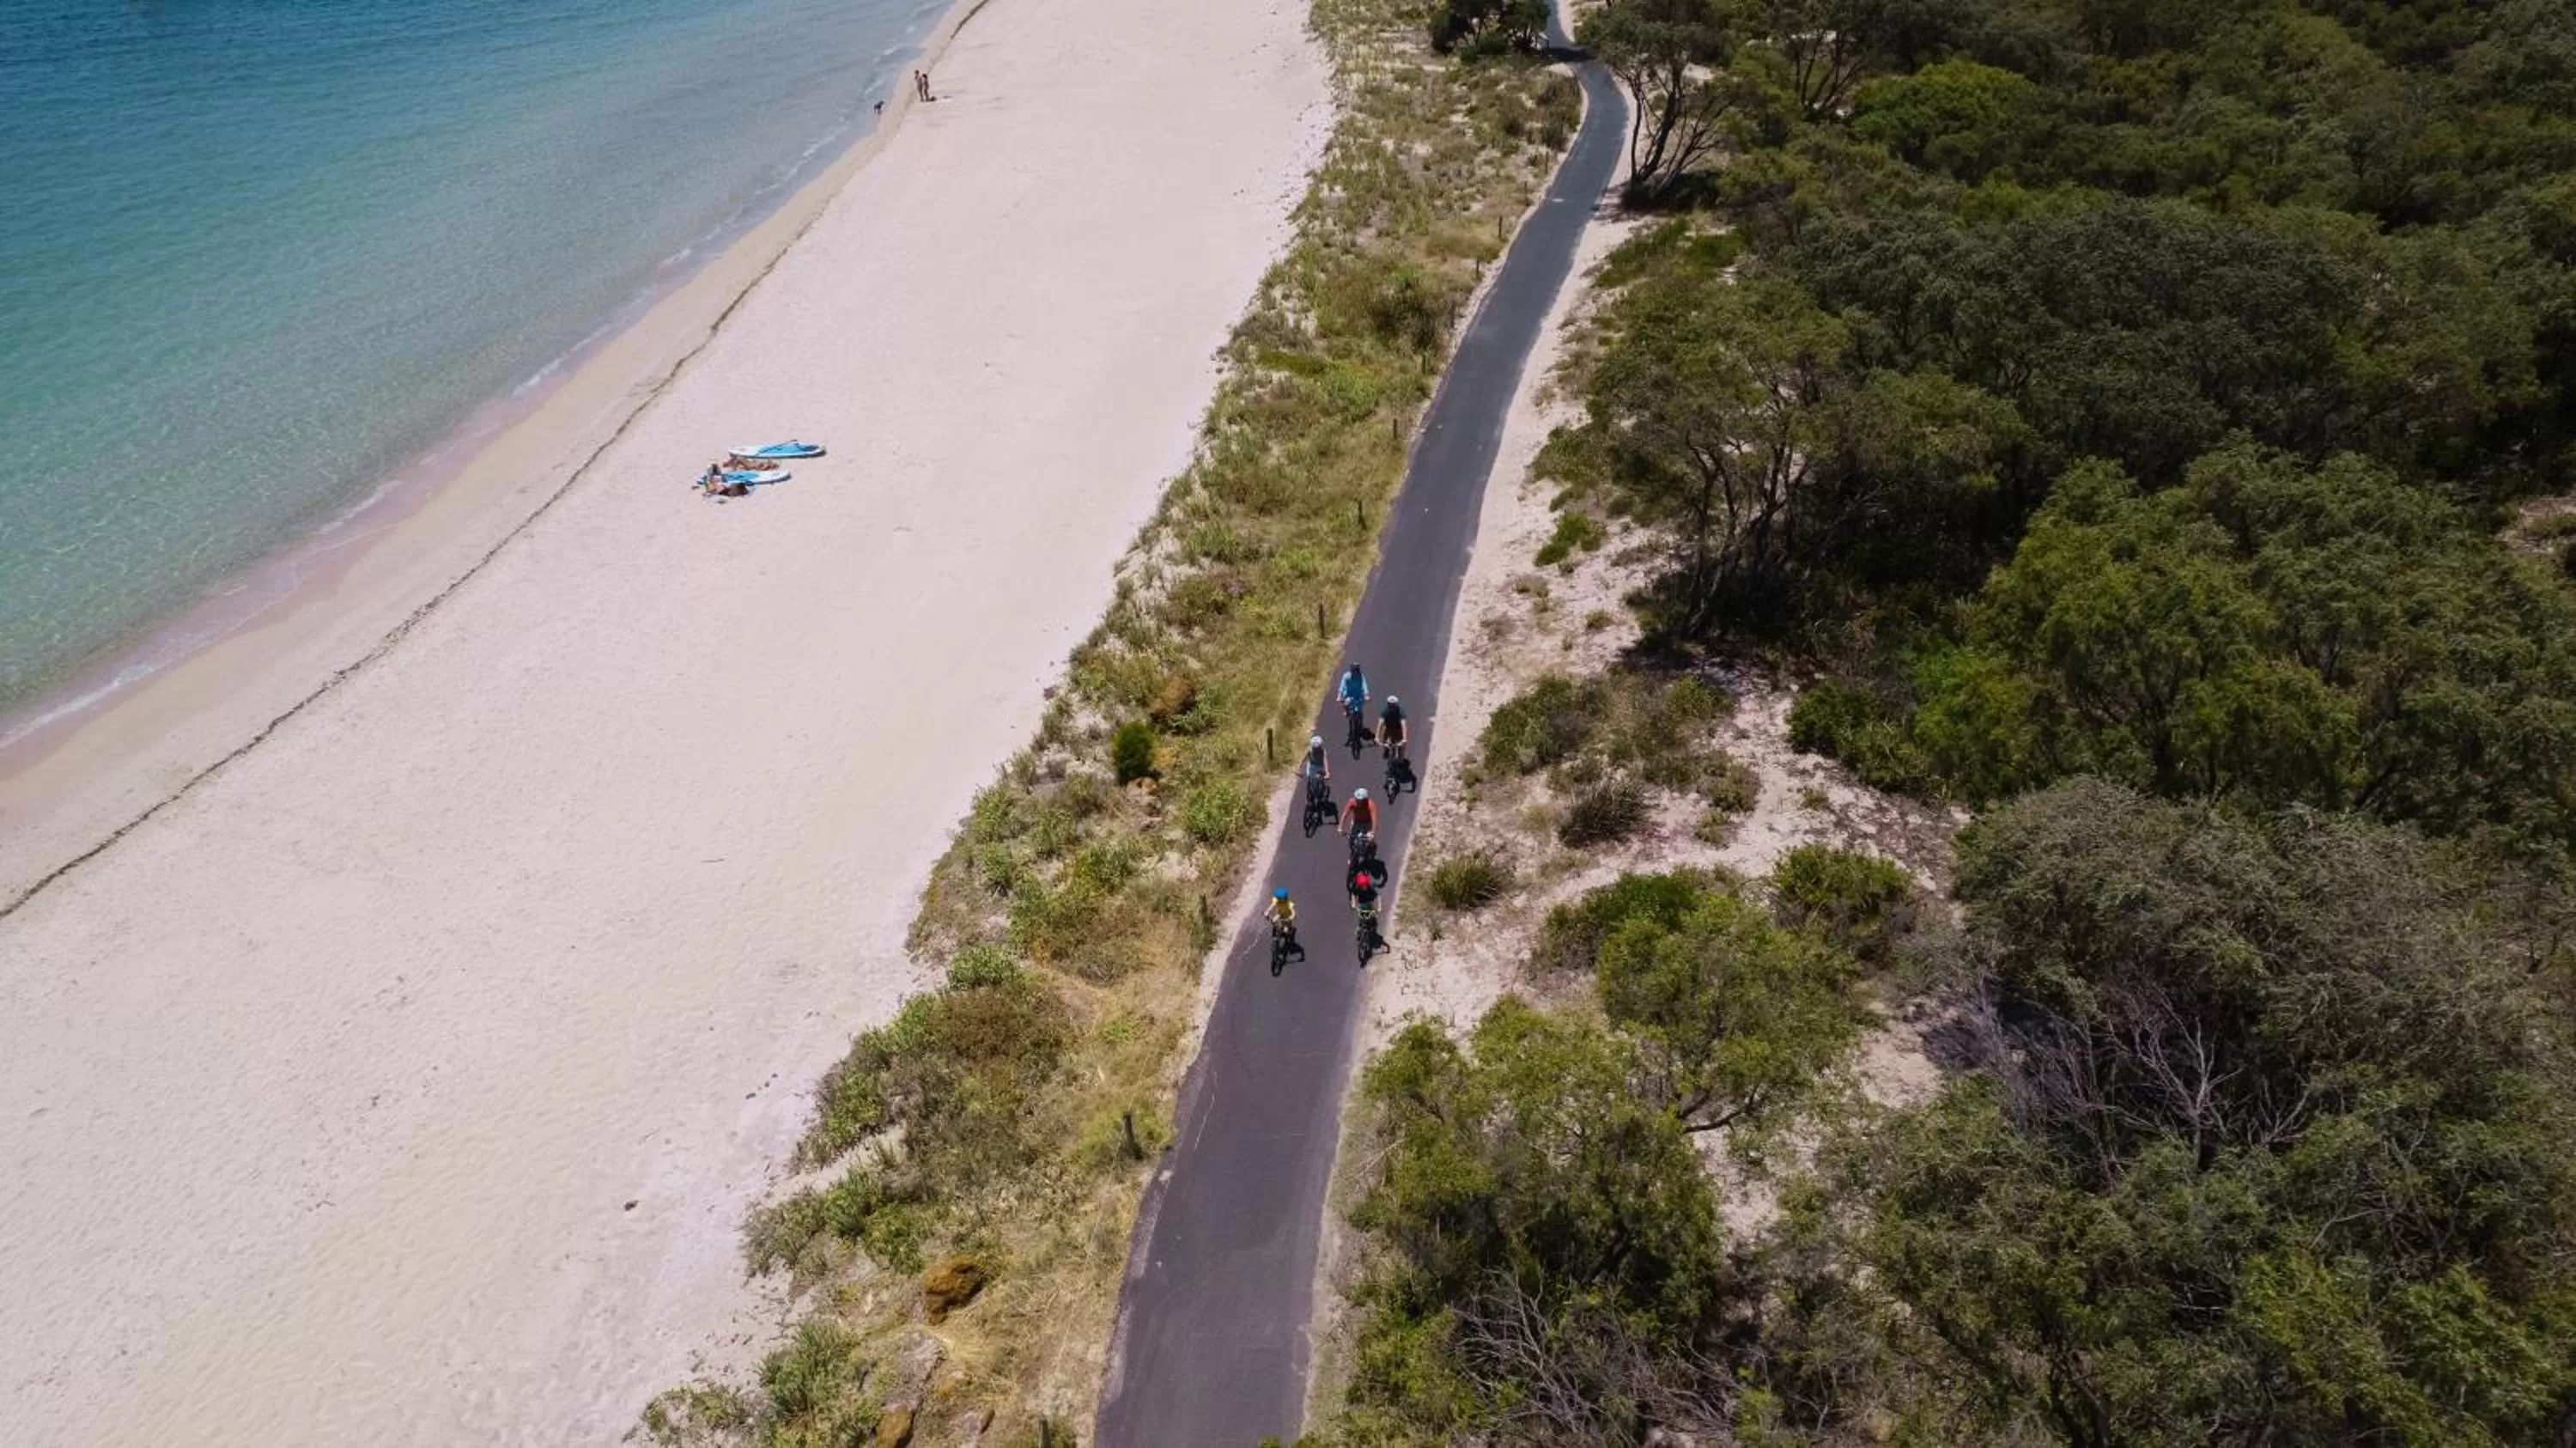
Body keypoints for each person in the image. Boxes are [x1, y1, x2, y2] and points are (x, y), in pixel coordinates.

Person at [1337, 663, 1370, 745]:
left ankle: (1360, 726)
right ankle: (1347, 712)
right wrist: (1339, 696)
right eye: (1354, 670)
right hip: (1349, 696)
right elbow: (1342, 686)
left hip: (1358, 696)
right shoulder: (1346, 676)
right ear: (1351, 670)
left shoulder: (1360, 676)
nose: (1356, 672)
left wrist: (1366, 695)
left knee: (1360, 712)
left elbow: (1364, 686)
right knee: (1346, 704)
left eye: (1357, 670)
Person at [1340, 786, 1378, 856]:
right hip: (1357, 822)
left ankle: (1372, 849)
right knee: (1351, 839)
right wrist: (1340, 827)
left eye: (1361, 800)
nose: (1359, 802)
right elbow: (1345, 814)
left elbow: (1374, 818)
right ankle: (1353, 852)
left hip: (1368, 823)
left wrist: (1372, 833)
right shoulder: (1351, 802)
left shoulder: (1371, 804)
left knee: (1370, 840)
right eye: (1358, 800)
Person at [1266, 887, 1300, 957]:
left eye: (1279, 898)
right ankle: (1276, 933)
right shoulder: (1276, 900)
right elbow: (1271, 906)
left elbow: (1293, 912)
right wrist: (1267, 912)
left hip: (1287, 917)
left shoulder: (1289, 904)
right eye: (1277, 898)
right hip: (1280, 914)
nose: (1278, 899)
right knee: (1273, 920)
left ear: (1284, 898)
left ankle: (1290, 936)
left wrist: (1291, 918)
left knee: (1286, 930)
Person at [1377, 694, 1409, 761]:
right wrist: (1377, 737)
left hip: (1398, 731)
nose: (1392, 707)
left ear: (1396, 705)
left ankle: (1401, 760)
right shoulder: (1385, 712)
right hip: (1389, 731)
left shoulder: (1400, 712)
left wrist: (1404, 739)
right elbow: (1380, 724)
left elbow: (1403, 725)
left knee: (1401, 751)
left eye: (1393, 705)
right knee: (1385, 730)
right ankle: (1386, 750)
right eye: (1390, 705)